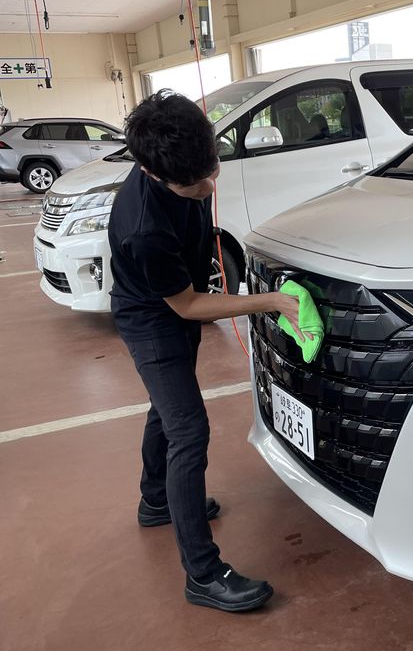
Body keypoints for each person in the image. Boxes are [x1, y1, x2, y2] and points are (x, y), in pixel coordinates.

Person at [108, 90, 302, 614]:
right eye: (196, 184)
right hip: (153, 319)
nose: (210, 185)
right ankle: (203, 574)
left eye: (212, 168)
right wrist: (272, 302)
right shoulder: (144, 228)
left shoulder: (177, 151)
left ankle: (156, 500)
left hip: (174, 304)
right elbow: (190, 306)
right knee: (188, 431)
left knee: (166, 407)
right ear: (153, 172)